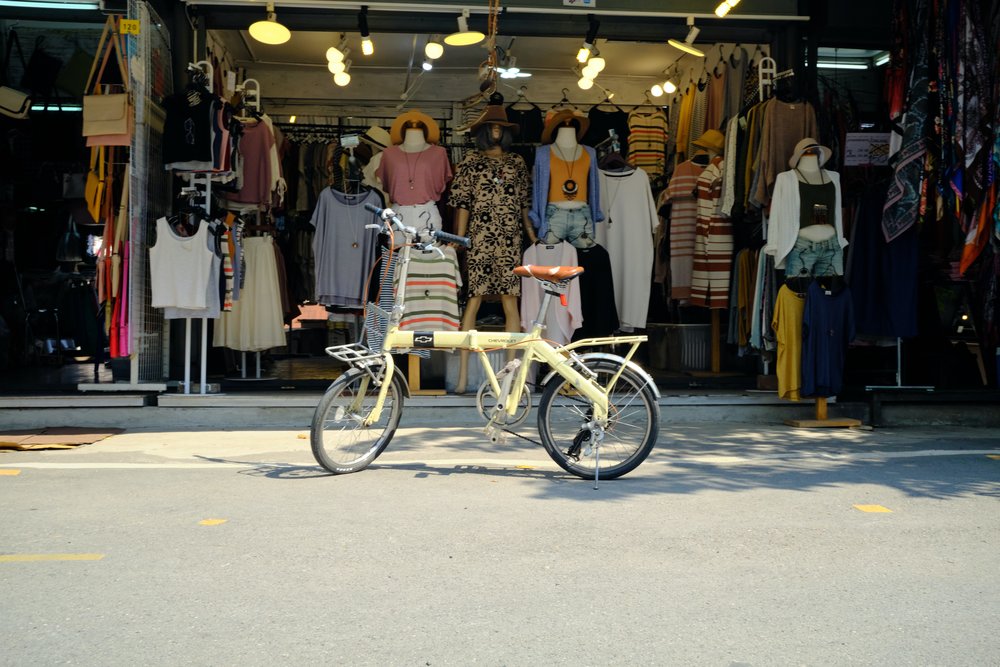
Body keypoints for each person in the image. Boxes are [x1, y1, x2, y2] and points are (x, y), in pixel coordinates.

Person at [449, 94, 536, 394]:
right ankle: (462, 377)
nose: (497, 130)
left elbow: (524, 203)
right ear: (485, 130)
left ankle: (510, 376)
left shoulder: (517, 162)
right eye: (492, 126)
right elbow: (462, 203)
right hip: (480, 241)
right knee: (473, 301)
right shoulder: (471, 162)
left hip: (510, 239)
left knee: (511, 302)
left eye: (501, 126)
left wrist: (532, 235)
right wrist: (460, 239)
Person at [765, 138, 847, 277]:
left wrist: (840, 239)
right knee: (798, 294)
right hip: (802, 245)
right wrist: (773, 245)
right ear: (799, 156)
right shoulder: (785, 179)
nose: (811, 154)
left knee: (829, 295)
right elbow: (776, 214)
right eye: (807, 152)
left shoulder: (834, 177)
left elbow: (837, 213)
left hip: (832, 245)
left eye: (814, 151)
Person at [528, 107, 604, 248]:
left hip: (582, 214)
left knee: (584, 262)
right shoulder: (543, 153)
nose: (567, 125)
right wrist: (537, 215)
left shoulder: (590, 153)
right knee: (550, 261)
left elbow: (594, 187)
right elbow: (537, 189)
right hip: (553, 215)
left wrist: (596, 211)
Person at [377, 110, 452, 232]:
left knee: (428, 251)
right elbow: (386, 184)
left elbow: (441, 184)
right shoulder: (389, 154)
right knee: (397, 250)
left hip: (427, 212)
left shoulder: (439, 153)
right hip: (398, 213)